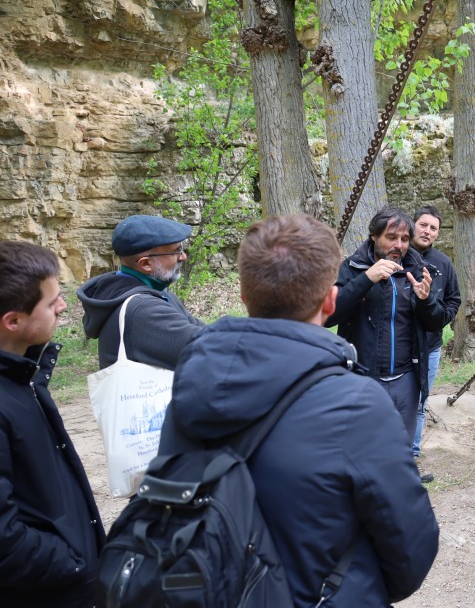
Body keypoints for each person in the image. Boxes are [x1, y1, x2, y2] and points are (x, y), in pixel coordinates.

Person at [158, 215, 440, 606]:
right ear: (329, 299)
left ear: (244, 295)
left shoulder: (191, 384)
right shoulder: (357, 403)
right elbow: (412, 548)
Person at [0, 241, 106, 607]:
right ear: (13, 321)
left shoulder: (23, 376)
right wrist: (73, 563)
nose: (63, 306)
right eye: (52, 302)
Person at [327, 206, 447, 441]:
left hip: (407, 377)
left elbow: (436, 323)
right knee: (362, 446)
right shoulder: (352, 268)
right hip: (364, 377)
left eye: (404, 239)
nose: (399, 246)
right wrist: (366, 279)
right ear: (374, 236)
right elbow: (329, 315)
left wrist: (426, 300)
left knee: (401, 448)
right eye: (391, 237)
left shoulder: (417, 270)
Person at [77, 214, 204, 369]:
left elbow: (201, 329)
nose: (183, 257)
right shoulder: (143, 309)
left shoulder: (152, 290)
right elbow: (208, 348)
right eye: (176, 251)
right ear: (146, 264)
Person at [411, 205, 460, 464]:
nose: (427, 231)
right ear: (413, 224)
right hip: (399, 343)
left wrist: (442, 317)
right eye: (423, 225)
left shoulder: (443, 262)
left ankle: (413, 454)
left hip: (430, 344)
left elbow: (454, 298)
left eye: (433, 228)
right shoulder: (397, 256)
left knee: (420, 399)